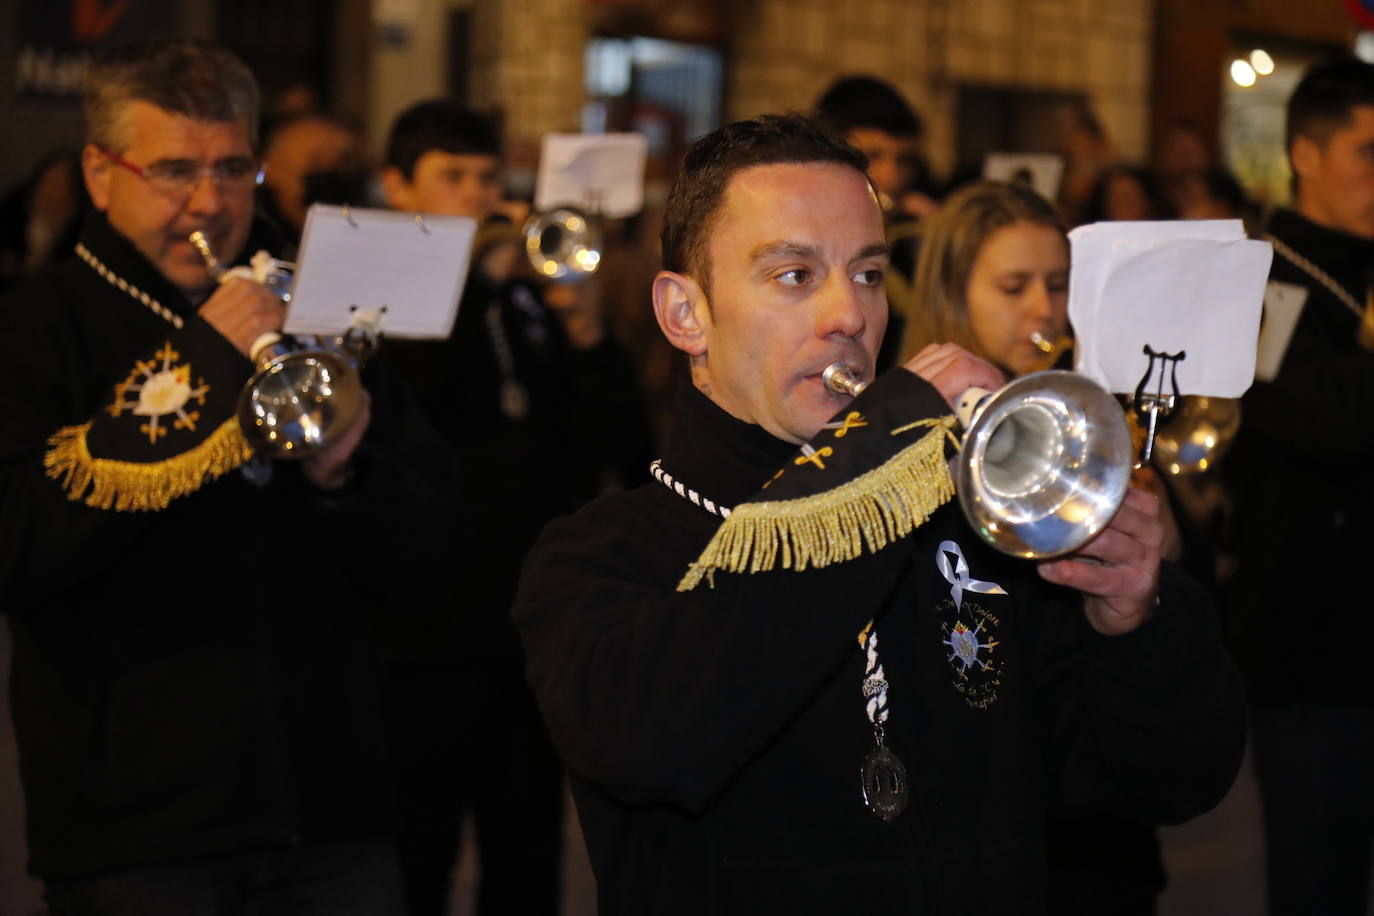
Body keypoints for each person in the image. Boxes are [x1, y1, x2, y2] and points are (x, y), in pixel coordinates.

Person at [512, 113, 1246, 915]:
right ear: (686, 314)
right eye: (794, 275)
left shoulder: (976, 524)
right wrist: (878, 447)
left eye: (866, 273)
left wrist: (1135, 619)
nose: (850, 316)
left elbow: (1174, 780)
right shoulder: (599, 553)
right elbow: (659, 742)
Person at [0, 39, 425, 914]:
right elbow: (21, 547)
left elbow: (433, 554)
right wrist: (202, 360)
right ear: (99, 172)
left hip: (336, 810)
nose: (211, 202)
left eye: (234, 167)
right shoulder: (32, 325)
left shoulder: (323, 305)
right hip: (137, 829)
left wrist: (346, 475)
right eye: (173, 170)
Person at [376, 98, 653, 916]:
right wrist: (477, 284)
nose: (477, 195)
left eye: (488, 178)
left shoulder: (533, 300)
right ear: (398, 188)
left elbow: (623, 449)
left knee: (528, 854)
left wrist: (589, 333)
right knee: (412, 858)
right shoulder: (385, 307)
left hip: (528, 633)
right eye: (451, 177)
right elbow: (420, 429)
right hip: (421, 639)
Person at [899, 180, 1182, 914]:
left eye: (1057, 285)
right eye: (1013, 285)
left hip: (1097, 814)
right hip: (979, 806)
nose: (1043, 310)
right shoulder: (901, 432)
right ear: (954, 296)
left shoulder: (1096, 412)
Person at [1225, 56, 1374, 916]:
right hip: (1312, 640)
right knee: (1320, 881)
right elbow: (1335, 423)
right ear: (1307, 156)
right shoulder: (1263, 280)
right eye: (1367, 153)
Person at [814, 75, 937, 371]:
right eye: (872, 156)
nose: (891, 177)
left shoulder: (915, 231)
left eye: (903, 159)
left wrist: (941, 240)